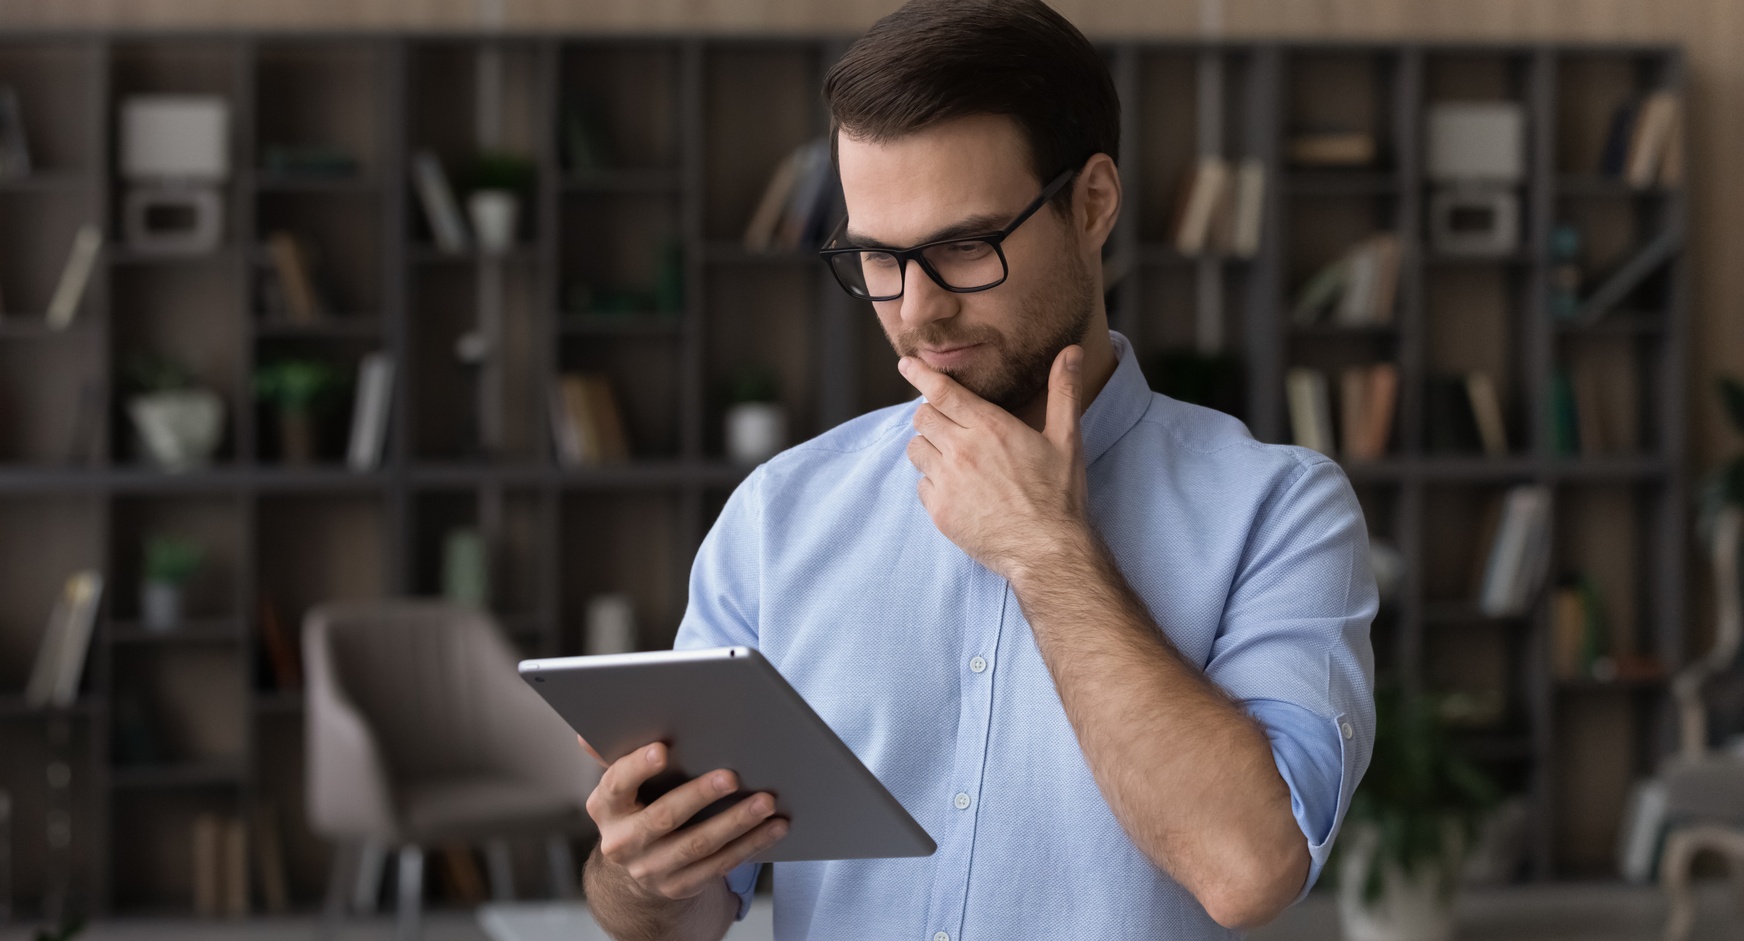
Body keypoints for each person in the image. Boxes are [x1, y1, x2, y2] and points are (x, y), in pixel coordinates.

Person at [579, 1, 1376, 938]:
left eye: (964, 246)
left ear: (1092, 203)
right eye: (878, 256)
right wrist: (641, 877)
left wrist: (1047, 549)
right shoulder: (778, 516)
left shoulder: (1280, 510)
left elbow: (1249, 870)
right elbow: (678, 915)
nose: (917, 311)